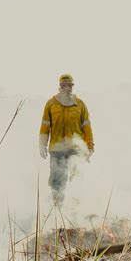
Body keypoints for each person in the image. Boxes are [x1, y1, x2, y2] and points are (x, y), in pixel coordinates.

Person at [39, 74, 94, 206]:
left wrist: (90, 146)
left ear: (72, 86)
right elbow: (45, 126)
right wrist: (42, 144)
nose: (67, 88)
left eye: (69, 85)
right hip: (56, 150)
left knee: (77, 181)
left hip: (76, 150)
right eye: (64, 85)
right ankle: (57, 211)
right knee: (56, 183)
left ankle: (75, 212)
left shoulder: (80, 105)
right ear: (60, 86)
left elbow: (86, 127)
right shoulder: (51, 104)